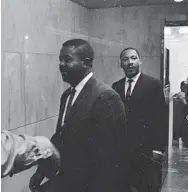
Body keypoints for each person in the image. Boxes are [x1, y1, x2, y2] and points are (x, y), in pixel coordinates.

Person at [29, 39, 127, 192]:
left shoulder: (106, 97)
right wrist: (41, 171)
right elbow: (61, 137)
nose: (61, 64)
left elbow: (111, 157)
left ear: (86, 63)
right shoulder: (67, 95)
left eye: (67, 59)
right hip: (66, 181)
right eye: (60, 60)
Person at [112, 47, 167, 192]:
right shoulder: (116, 87)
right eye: (125, 59)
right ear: (121, 64)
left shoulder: (154, 85)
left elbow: (160, 119)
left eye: (133, 58)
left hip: (146, 151)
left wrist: (159, 149)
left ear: (140, 61)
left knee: (147, 187)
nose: (130, 62)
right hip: (123, 152)